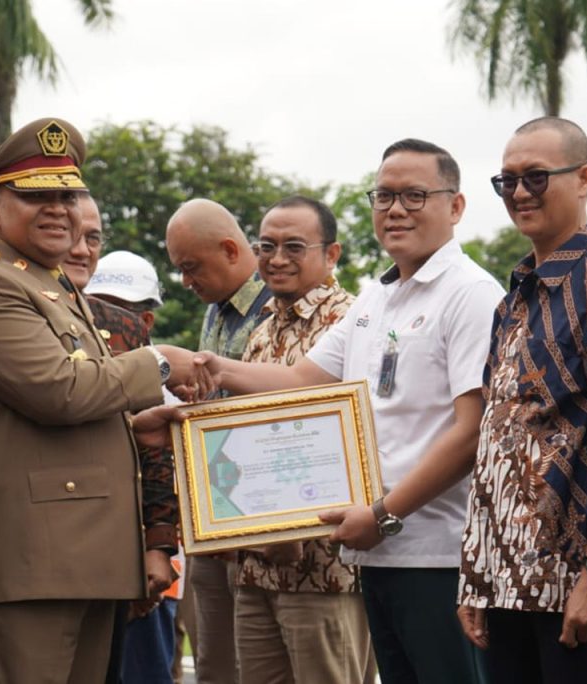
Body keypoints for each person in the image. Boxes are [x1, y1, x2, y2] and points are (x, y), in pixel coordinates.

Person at [199, 138, 504, 684]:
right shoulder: (376, 299)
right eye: (384, 195)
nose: (395, 209)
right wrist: (205, 367)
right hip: (379, 554)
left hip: (437, 556)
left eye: (415, 195)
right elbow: (298, 382)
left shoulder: (471, 294)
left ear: (455, 207)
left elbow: (473, 430)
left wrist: (385, 513)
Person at [0, 117, 205, 683]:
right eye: (37, 196)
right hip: (26, 565)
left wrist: (133, 431)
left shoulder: (53, 284)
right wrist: (159, 361)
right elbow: (57, 391)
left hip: (82, 561)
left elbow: (60, 412)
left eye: (66, 193)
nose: (58, 208)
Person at [455, 117, 587, 684]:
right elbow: (495, 439)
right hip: (503, 582)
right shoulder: (511, 298)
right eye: (506, 181)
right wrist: (475, 573)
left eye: (535, 177)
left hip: (570, 587)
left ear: (583, 178)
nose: (518, 193)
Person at [231, 195, 375, 683]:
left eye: (294, 246)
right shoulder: (260, 334)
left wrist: (294, 531)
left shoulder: (354, 322)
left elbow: (357, 437)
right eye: (265, 246)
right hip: (256, 565)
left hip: (325, 569)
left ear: (331, 254)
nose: (276, 259)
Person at [165, 198, 272, 684]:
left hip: (262, 514)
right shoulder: (217, 309)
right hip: (215, 509)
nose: (186, 281)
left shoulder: (279, 303)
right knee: (213, 661)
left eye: (191, 267)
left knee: (256, 662)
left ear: (230, 250)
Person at [87, 249, 183, 684]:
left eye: (121, 311)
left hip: (150, 579)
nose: (106, 321)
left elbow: (161, 473)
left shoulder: (165, 395)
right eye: (97, 306)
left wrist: (157, 552)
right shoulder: (78, 377)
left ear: (145, 323)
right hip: (88, 568)